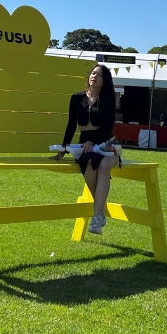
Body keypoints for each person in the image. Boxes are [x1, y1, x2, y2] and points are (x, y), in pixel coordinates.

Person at [59, 64, 117, 235]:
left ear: (104, 80)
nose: (94, 76)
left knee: (105, 166)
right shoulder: (77, 98)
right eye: (92, 73)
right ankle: (100, 209)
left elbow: (108, 128)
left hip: (106, 142)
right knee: (90, 161)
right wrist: (64, 147)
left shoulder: (108, 99)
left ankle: (97, 216)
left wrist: (93, 141)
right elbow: (71, 125)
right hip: (85, 144)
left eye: (99, 75)